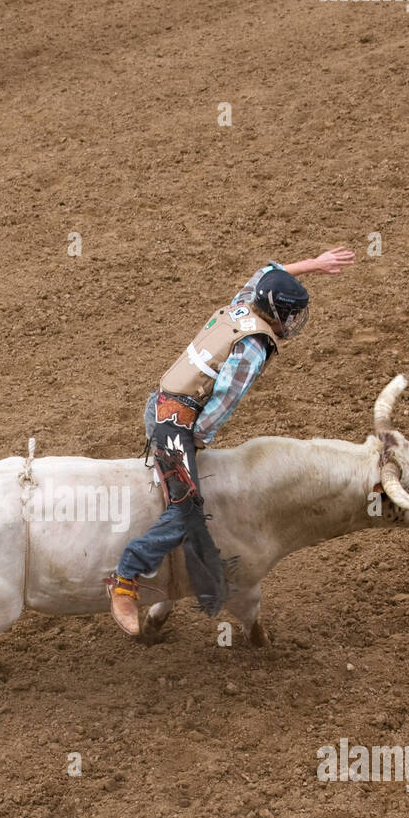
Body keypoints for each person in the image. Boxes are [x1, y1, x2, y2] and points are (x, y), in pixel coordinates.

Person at [107, 246, 356, 635]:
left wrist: (315, 265)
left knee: (171, 495)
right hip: (176, 426)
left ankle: (163, 584)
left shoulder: (243, 304)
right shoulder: (254, 347)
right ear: (279, 313)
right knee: (188, 511)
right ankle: (125, 582)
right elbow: (224, 400)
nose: (294, 321)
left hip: (158, 403)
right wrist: (196, 444)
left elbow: (266, 271)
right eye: (292, 314)